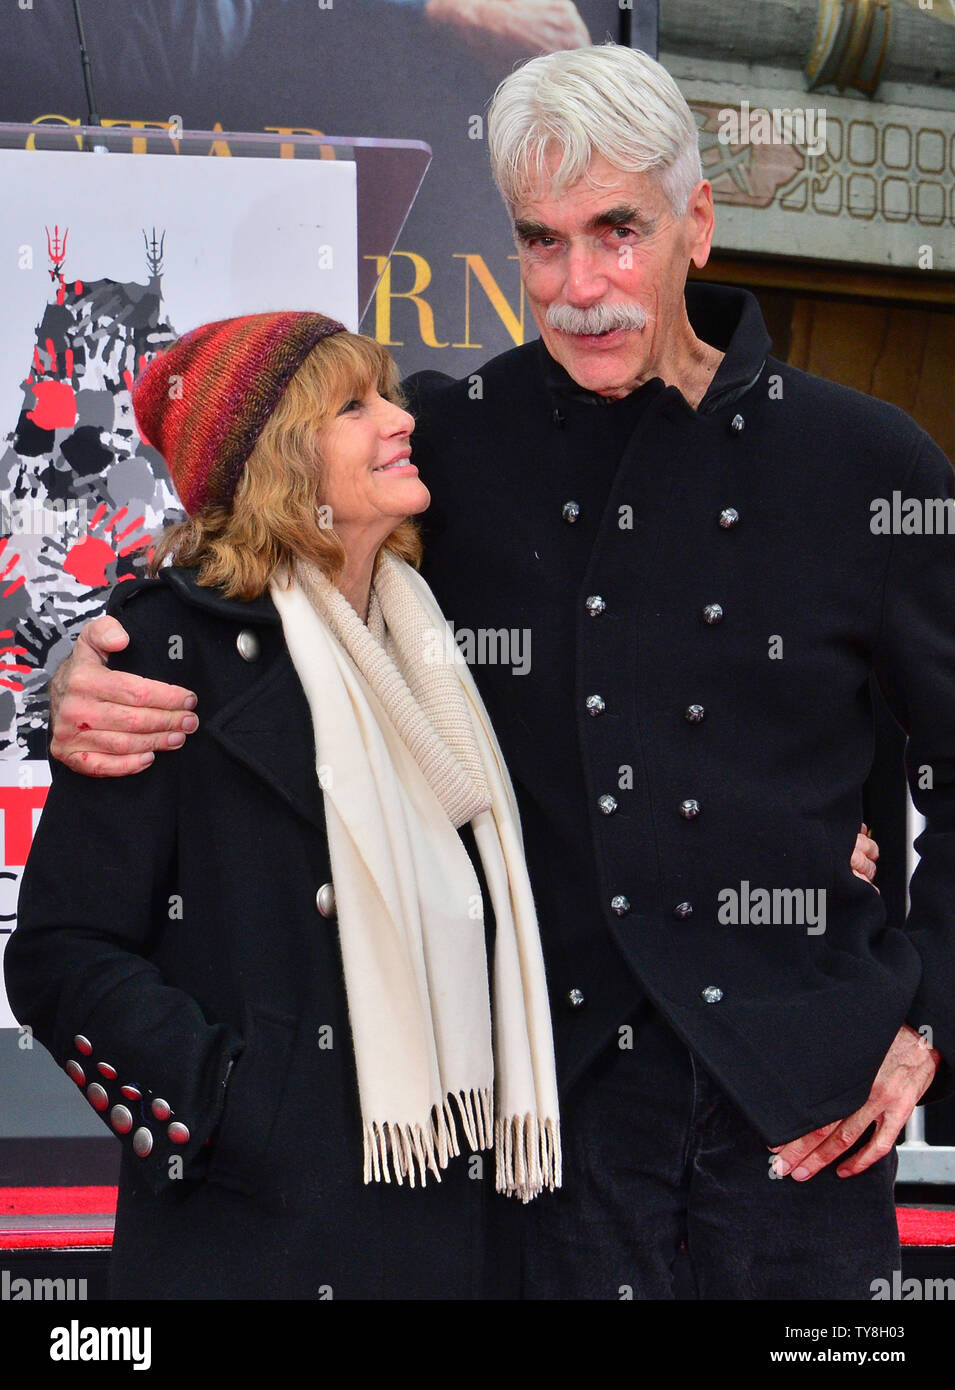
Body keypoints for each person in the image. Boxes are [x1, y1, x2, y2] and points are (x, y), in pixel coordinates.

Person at [41, 43, 943, 1301]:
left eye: (617, 231)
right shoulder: (446, 448)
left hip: (803, 1121)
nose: (579, 286)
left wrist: (926, 1019)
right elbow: (257, 555)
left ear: (698, 223)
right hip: (548, 1131)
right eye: (540, 241)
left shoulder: (869, 464)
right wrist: (75, 664)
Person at [4, 310, 560, 1300]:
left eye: (388, 395)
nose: (400, 420)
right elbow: (60, 952)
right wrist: (234, 1104)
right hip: (256, 1239)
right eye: (356, 406)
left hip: (455, 1220)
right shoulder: (168, 647)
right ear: (281, 463)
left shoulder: (429, 637)